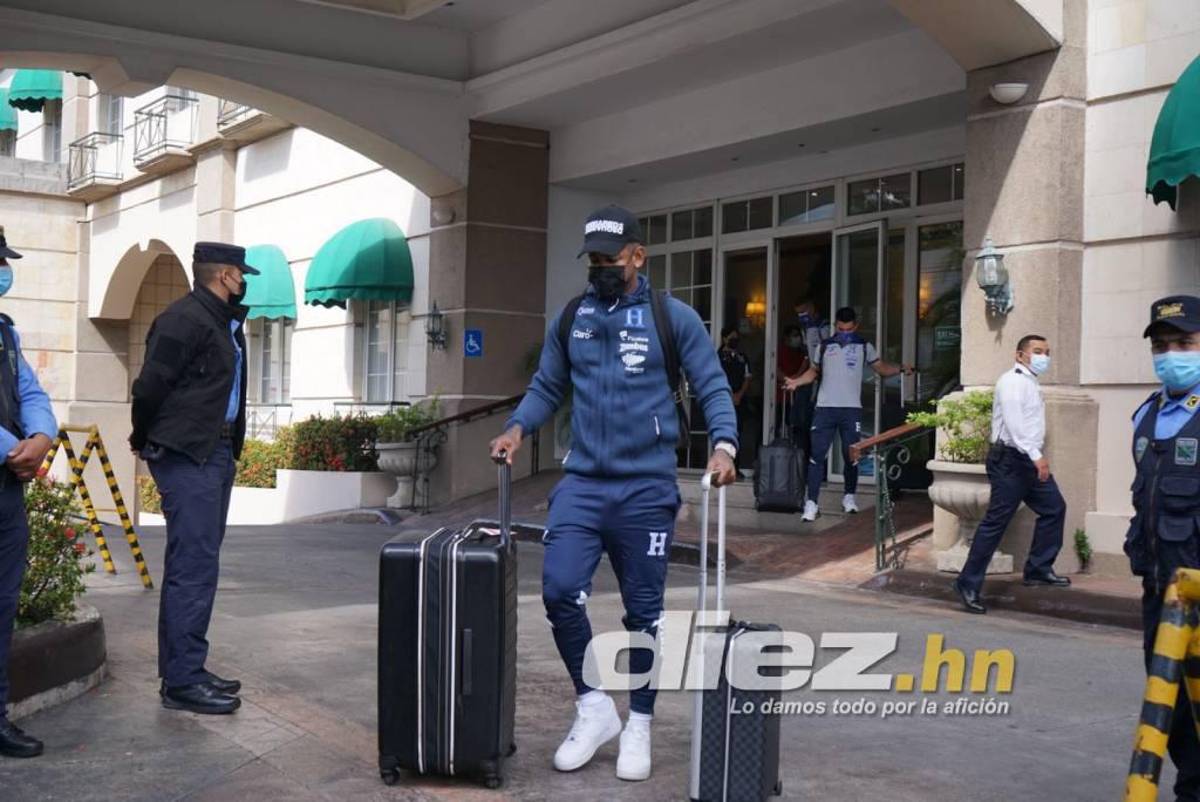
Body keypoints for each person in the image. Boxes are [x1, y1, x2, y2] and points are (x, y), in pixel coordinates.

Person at [490, 205, 737, 783]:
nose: (600, 269)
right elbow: (548, 384)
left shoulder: (671, 318)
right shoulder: (573, 317)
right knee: (558, 591)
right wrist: (517, 428)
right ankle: (595, 706)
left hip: (646, 487)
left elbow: (712, 384)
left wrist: (724, 445)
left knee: (643, 615)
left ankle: (641, 723)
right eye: (594, 261)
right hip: (582, 483)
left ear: (637, 256)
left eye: (609, 259)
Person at [130, 242, 259, 715]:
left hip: (215, 451)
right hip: (189, 454)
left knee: (196, 566)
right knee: (194, 568)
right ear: (224, 275)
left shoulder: (223, 322)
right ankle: (183, 681)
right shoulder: (184, 319)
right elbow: (149, 386)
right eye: (241, 274)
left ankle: (185, 670)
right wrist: (144, 437)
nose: (244, 281)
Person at [1124, 295, 1200, 800]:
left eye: (1185, 343)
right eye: (1163, 345)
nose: (1171, 353)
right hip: (1161, 591)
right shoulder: (1145, 415)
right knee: (1169, 705)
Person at [952, 334, 1070, 615]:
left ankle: (1038, 569)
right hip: (1011, 460)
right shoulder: (1012, 382)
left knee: (1054, 508)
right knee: (996, 521)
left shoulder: (1030, 381)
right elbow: (1016, 427)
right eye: (1037, 351)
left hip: (1026, 459)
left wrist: (1034, 456)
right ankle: (967, 584)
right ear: (1020, 355)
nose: (1044, 356)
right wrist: (1037, 457)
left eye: (1047, 351)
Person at [0, 228, 57, 759]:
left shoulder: (5, 332)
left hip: (5, 492)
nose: (3, 271)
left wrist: (40, 438)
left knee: (2, 608)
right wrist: (10, 447)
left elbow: (30, 391)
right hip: (6, 466)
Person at [784, 306, 911, 520]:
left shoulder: (864, 346)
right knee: (816, 456)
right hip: (825, 409)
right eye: (841, 329)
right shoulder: (824, 347)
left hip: (851, 410)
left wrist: (901, 368)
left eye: (849, 329)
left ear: (856, 326)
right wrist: (796, 382)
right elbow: (813, 372)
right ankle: (812, 503)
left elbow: (881, 368)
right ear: (835, 326)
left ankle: (849, 497)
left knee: (851, 455)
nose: (845, 334)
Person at [718, 325, 751, 476]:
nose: (734, 341)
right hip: (723, 400)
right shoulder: (717, 357)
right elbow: (716, 378)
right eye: (731, 338)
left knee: (737, 433)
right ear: (724, 338)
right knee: (723, 433)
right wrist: (728, 395)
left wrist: (739, 395)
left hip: (739, 400)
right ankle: (720, 466)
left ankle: (734, 468)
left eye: (736, 338)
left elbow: (747, 377)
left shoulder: (742, 357)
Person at [776, 324, 811, 448]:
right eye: (794, 336)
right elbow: (775, 368)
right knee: (777, 425)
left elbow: (807, 368)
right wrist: (788, 380)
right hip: (780, 396)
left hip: (797, 396)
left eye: (798, 336)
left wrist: (796, 378)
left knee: (797, 427)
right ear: (787, 337)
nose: (798, 339)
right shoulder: (779, 350)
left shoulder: (801, 353)